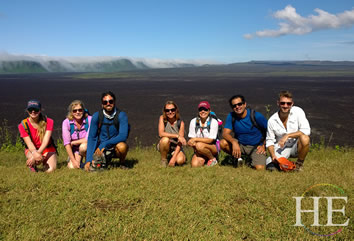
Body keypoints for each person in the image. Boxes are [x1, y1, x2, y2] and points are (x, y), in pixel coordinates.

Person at [266, 90, 311, 171]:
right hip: (281, 148)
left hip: (296, 146)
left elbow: (306, 130)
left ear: (292, 104)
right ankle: (286, 164)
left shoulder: (298, 111)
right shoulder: (272, 120)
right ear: (278, 103)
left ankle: (299, 165)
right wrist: (273, 155)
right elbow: (269, 141)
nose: (285, 106)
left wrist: (288, 135)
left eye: (288, 103)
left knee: (305, 138)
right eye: (282, 103)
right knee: (270, 166)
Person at [220, 95, 268, 170]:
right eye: (234, 105)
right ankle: (238, 158)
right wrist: (234, 142)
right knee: (223, 143)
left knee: (260, 168)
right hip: (240, 145)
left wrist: (264, 145)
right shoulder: (231, 116)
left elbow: (270, 131)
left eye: (240, 104)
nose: (237, 107)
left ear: (244, 104)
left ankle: (248, 161)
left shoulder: (256, 116)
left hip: (256, 146)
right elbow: (225, 133)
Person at [84, 91, 129, 171]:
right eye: (105, 102)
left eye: (110, 101)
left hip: (115, 146)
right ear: (102, 104)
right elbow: (92, 138)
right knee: (95, 166)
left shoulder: (121, 115)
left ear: (114, 102)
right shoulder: (97, 116)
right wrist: (88, 160)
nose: (108, 104)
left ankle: (122, 163)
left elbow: (123, 136)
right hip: (100, 148)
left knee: (122, 147)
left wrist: (105, 144)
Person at [18, 100, 57, 173]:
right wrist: (34, 154)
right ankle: (33, 166)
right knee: (33, 157)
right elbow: (29, 143)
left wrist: (38, 153)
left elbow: (46, 140)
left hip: (47, 148)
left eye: (36, 110)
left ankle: (41, 163)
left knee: (50, 170)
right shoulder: (22, 125)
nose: (33, 112)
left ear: (40, 110)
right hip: (32, 150)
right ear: (27, 111)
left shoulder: (49, 121)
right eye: (30, 110)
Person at [188, 101, 219, 167]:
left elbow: (210, 140)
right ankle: (205, 158)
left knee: (199, 145)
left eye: (205, 109)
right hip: (198, 148)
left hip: (212, 147)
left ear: (209, 110)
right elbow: (191, 138)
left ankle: (212, 159)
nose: (203, 111)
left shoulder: (214, 122)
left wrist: (195, 140)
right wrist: (192, 143)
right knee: (194, 165)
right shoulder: (193, 121)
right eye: (200, 109)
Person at [62, 100, 92, 169]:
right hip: (75, 149)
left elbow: (88, 139)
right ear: (71, 113)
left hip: (87, 147)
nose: (78, 112)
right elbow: (67, 143)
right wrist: (73, 161)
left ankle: (89, 161)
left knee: (83, 147)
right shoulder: (66, 122)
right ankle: (78, 162)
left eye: (80, 110)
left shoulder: (90, 120)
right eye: (75, 111)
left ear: (83, 111)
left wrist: (73, 142)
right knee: (72, 167)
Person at [158, 101, 187, 167]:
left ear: (176, 110)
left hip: (176, 146)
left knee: (180, 161)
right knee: (165, 140)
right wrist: (177, 136)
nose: (170, 112)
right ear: (164, 111)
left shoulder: (181, 123)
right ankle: (164, 160)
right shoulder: (162, 118)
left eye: (172, 110)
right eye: (167, 110)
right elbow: (161, 134)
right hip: (165, 144)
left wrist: (173, 159)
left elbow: (180, 142)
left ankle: (172, 157)